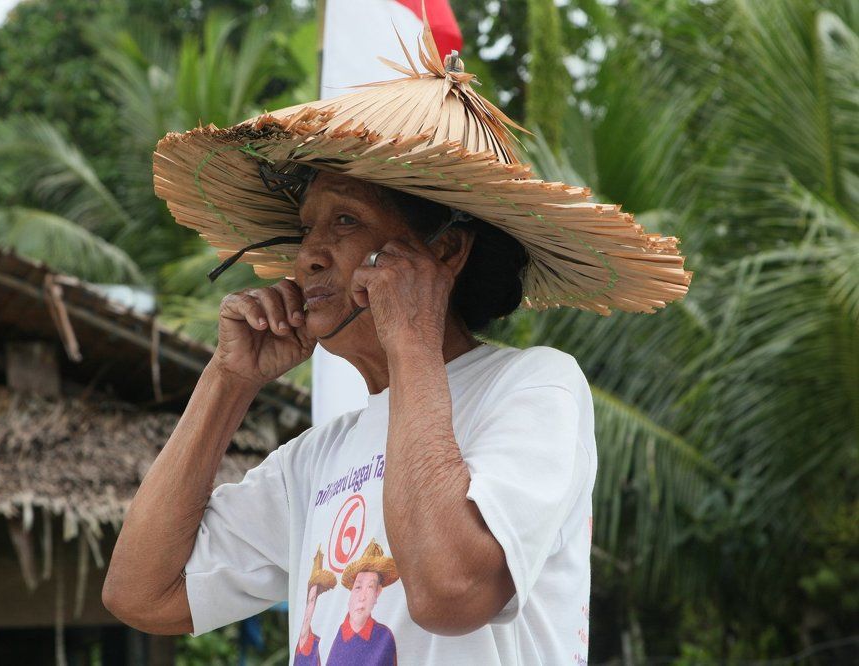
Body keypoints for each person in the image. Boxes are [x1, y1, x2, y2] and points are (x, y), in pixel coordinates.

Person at [102, 19, 689, 665]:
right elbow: (141, 595)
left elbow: (450, 593)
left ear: (445, 251)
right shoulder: (314, 460)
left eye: (346, 221)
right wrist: (228, 379)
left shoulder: (533, 385)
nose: (307, 260)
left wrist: (411, 335)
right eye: (306, 231)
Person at [326, 539, 398, 666]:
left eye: (370, 587)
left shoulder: (384, 634)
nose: (362, 597)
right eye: (358, 587)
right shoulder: (334, 633)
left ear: (377, 593)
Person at [295, 545, 337, 666]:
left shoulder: (320, 645)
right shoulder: (297, 642)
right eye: (308, 600)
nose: (309, 608)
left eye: (313, 600)